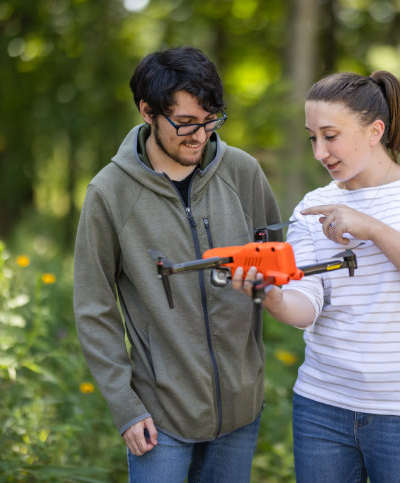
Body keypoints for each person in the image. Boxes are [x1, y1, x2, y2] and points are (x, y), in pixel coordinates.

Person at [233, 71, 400, 482]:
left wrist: (373, 228)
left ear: (375, 130)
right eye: (313, 138)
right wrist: (271, 296)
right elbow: (308, 306)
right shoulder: (314, 206)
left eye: (331, 135)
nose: (319, 152)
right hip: (323, 408)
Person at [73, 46, 283, 482]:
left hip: (241, 412)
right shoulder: (109, 193)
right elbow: (95, 309)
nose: (199, 135)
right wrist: (126, 408)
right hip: (159, 418)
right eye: (185, 123)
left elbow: (276, 262)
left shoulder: (243, 172)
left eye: (210, 121)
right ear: (147, 111)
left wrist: (262, 287)